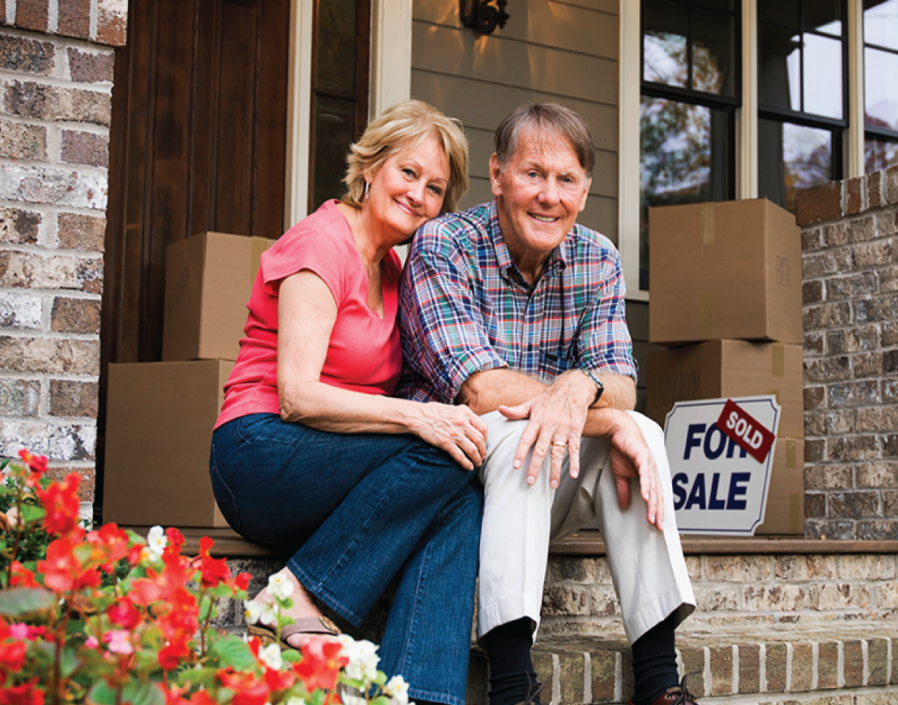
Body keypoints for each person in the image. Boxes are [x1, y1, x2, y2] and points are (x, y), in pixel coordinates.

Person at [399, 103, 699, 705]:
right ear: (498, 175)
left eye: (566, 180)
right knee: (531, 432)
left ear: (585, 191)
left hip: (539, 484)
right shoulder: (444, 245)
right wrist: (599, 410)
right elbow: (479, 388)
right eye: (533, 173)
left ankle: (661, 680)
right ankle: (513, 686)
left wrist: (581, 390)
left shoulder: (598, 257)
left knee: (636, 431)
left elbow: (619, 380)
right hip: (450, 478)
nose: (548, 196)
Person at [209, 99, 486, 705]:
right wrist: (421, 417)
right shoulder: (322, 243)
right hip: (257, 452)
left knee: (461, 484)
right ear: (371, 167)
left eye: (435, 187)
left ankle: (418, 696)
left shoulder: (394, 270)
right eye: (407, 172)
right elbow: (297, 395)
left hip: (332, 468)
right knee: (445, 450)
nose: (418, 194)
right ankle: (299, 597)